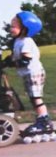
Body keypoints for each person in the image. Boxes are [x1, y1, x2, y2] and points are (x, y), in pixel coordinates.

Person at [9, 10, 52, 138]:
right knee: (33, 97)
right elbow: (15, 56)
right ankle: (42, 119)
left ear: (24, 28)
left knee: (35, 97)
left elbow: (25, 60)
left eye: (14, 26)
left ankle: (44, 120)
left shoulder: (26, 41)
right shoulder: (18, 41)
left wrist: (14, 63)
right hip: (29, 74)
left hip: (34, 73)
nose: (10, 29)